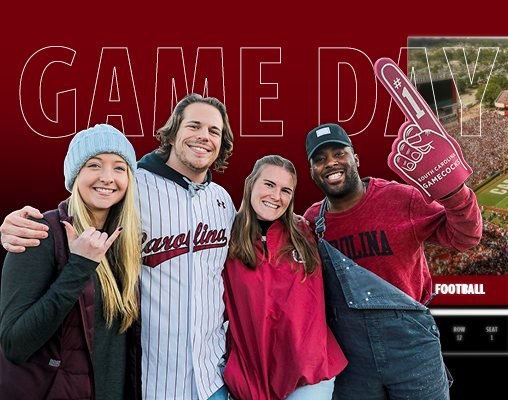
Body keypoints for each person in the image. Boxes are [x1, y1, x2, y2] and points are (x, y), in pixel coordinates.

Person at [1, 94, 236, 400]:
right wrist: (13, 227)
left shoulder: (223, 202)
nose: (108, 178)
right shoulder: (134, 187)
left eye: (214, 131)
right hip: (152, 383)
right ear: (172, 133)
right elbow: (82, 211)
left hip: (210, 380)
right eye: (194, 125)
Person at [302, 123, 482, 399]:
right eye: (320, 159)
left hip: (412, 351)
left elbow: (464, 237)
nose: (331, 163)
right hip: (350, 358)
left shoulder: (401, 198)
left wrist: (454, 191)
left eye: (339, 153)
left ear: (356, 159)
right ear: (312, 171)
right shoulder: (313, 221)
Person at [0, 125, 141, 399]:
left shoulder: (125, 243)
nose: (107, 177)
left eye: (119, 168)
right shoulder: (40, 233)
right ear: (75, 175)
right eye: (94, 165)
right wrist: (78, 267)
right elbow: (14, 345)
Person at [223, 155, 346, 400]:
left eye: (285, 190)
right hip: (251, 375)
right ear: (250, 184)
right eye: (269, 184)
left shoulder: (306, 232)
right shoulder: (225, 238)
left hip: (309, 373)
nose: (276, 196)